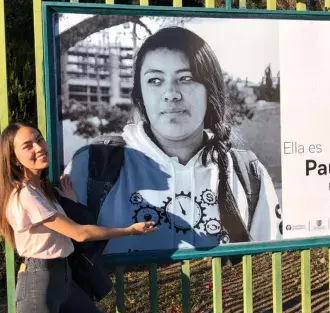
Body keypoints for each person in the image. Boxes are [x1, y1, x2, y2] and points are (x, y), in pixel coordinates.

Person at [65, 26, 282, 255]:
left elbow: (269, 267)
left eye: (186, 78)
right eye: (155, 80)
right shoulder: (92, 165)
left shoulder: (247, 173)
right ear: (140, 94)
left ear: (211, 90)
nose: (171, 93)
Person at [0, 123, 157, 313]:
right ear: (15, 158)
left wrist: (70, 203)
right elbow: (79, 233)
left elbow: (63, 226)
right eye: (27, 146)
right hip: (39, 282)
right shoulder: (25, 195)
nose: (39, 147)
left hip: (63, 278)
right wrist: (129, 230)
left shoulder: (44, 192)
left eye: (39, 139)